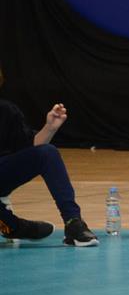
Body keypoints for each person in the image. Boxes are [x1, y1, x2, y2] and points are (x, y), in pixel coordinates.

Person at [0, 99, 98, 246]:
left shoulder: (6, 110)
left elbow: (28, 146)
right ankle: (15, 226)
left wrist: (50, 128)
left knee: (47, 153)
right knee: (12, 226)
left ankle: (73, 222)